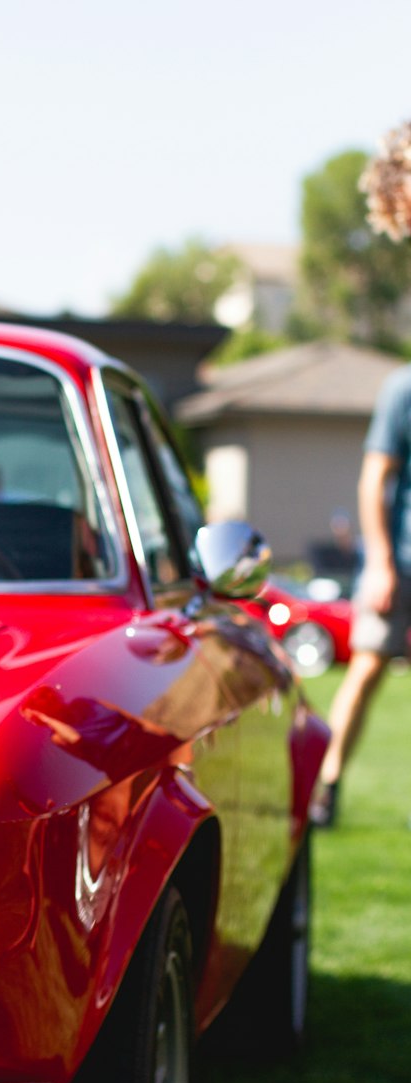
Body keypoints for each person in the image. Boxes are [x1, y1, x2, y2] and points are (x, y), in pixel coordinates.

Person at [312, 120, 411, 827]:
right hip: (402, 563)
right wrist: (379, 562)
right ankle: (326, 784)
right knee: (368, 667)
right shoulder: (402, 390)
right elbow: (374, 481)